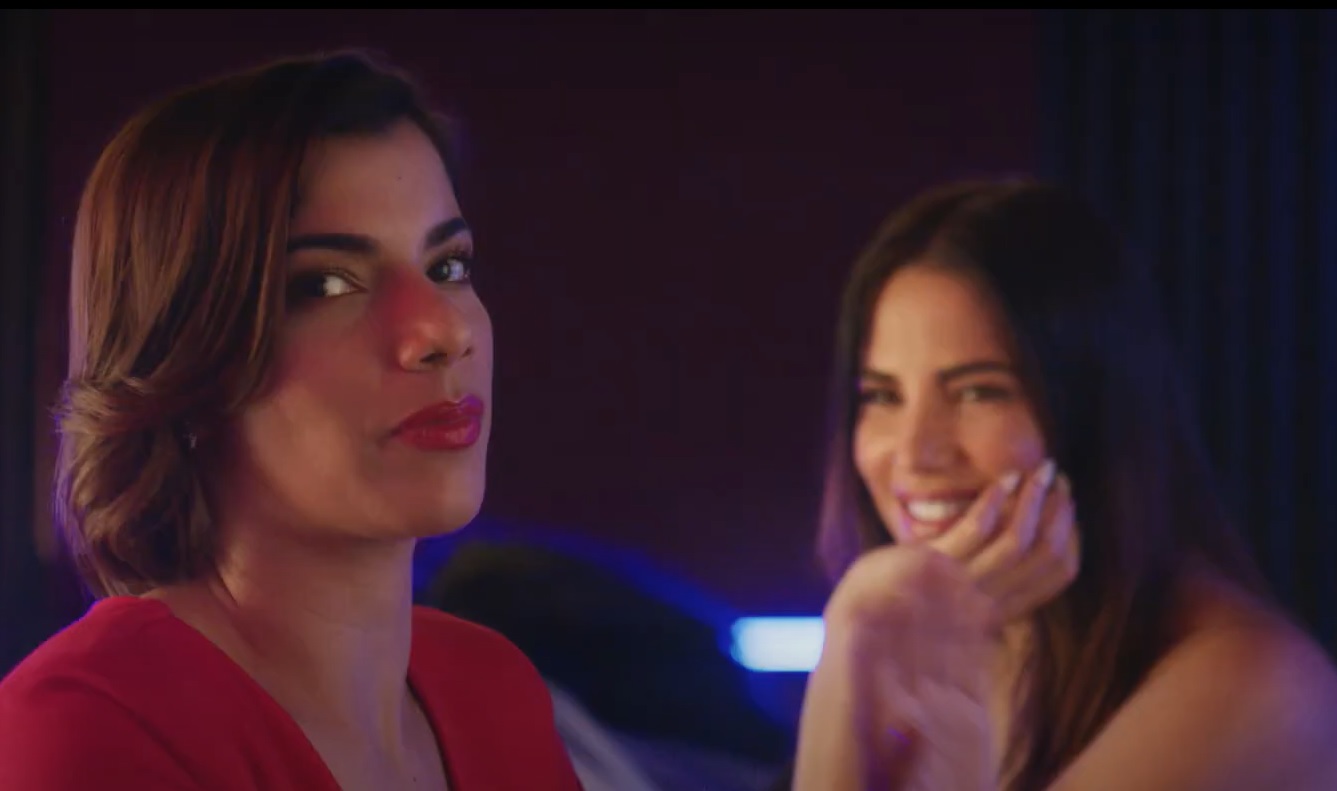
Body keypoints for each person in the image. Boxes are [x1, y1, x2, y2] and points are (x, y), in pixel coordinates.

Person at [0, 50, 583, 791]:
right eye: (327, 284)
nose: (442, 330)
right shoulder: (90, 726)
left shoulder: (492, 690)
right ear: (182, 357)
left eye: (447, 267)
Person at [788, 180, 1337, 790]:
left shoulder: (1255, 684)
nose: (915, 453)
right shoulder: (948, 643)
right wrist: (851, 635)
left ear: (1093, 415)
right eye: (883, 396)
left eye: (978, 392)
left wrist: (862, 635)